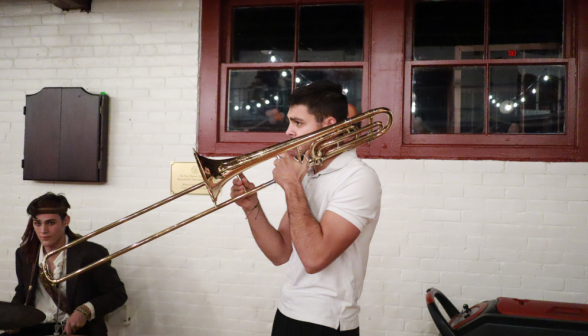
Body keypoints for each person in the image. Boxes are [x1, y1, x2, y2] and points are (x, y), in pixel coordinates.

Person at [231, 80, 382, 335]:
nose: (288, 131)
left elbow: (314, 259)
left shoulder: (358, 178)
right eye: (289, 121)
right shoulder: (310, 174)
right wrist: (251, 207)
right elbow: (280, 253)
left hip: (326, 321)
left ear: (329, 126)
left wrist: (291, 185)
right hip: (289, 310)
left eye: (298, 123)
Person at [5, 192, 127, 336]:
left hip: (76, 331)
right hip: (34, 327)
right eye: (38, 223)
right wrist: (12, 319)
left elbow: (117, 294)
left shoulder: (91, 253)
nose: (43, 230)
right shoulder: (24, 254)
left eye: (51, 223)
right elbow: (22, 291)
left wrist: (85, 310)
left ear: (65, 221)